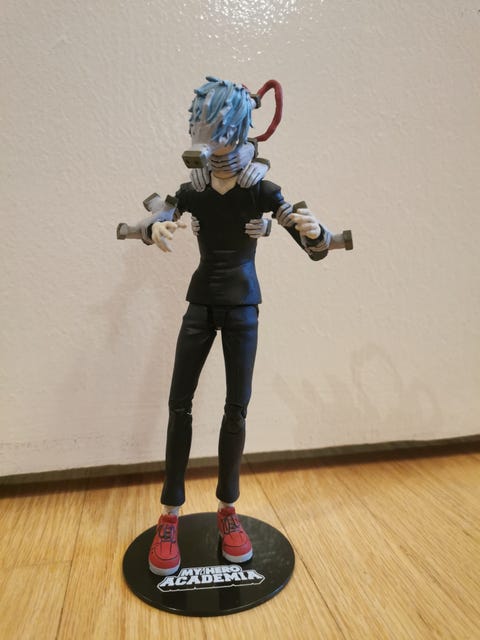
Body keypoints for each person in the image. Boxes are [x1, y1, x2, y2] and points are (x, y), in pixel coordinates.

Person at [146, 77, 332, 576]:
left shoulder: (261, 190)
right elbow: (160, 213)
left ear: (238, 127)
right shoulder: (195, 189)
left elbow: (313, 242)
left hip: (243, 305)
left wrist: (317, 231)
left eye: (217, 130)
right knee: (179, 404)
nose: (208, 142)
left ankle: (228, 508)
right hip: (201, 302)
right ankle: (170, 513)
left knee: (237, 408)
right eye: (202, 129)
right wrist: (154, 225)